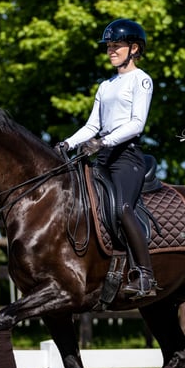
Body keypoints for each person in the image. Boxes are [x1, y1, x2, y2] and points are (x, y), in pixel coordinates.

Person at [61, 19, 158, 298]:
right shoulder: (105, 86)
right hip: (101, 154)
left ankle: (145, 276)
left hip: (126, 157)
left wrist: (103, 142)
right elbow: (92, 125)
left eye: (117, 46)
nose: (111, 51)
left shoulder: (141, 79)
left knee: (122, 208)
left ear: (134, 48)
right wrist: (68, 143)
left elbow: (136, 124)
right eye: (109, 47)